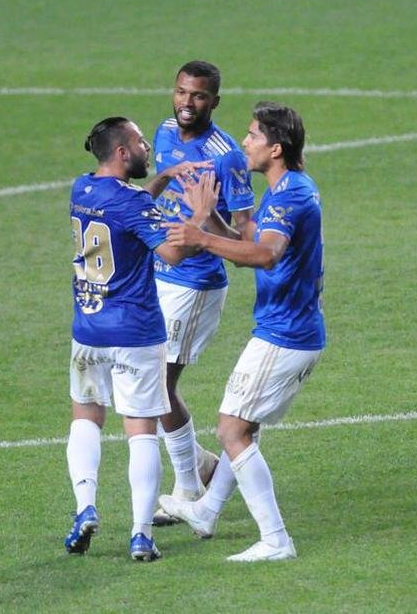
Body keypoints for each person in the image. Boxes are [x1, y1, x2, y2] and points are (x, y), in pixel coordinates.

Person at [158, 101, 325, 562]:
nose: (245, 142)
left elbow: (266, 254)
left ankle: (275, 540)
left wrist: (202, 239)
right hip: (286, 328)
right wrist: (209, 216)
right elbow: (251, 243)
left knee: (232, 429)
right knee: (241, 423)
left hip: (285, 334)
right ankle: (207, 511)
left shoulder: (290, 195)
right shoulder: (286, 187)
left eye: (253, 136)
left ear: (275, 148)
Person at [63, 116, 207, 562]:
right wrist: (199, 216)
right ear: (123, 152)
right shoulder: (131, 205)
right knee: (141, 431)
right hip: (135, 333)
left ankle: (85, 508)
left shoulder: (82, 189)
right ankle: (141, 534)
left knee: (85, 418)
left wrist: (161, 179)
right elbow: (171, 251)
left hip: (87, 328)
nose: (148, 148)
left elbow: (126, 209)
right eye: (141, 143)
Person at [146, 60, 255, 526]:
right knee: (144, 384)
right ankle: (202, 469)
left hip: (195, 284)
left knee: (158, 386)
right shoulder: (165, 131)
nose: (187, 103)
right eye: (181, 92)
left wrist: (207, 217)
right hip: (155, 273)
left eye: (198, 96)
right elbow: (162, 194)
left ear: (214, 100)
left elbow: (246, 238)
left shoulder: (227, 155)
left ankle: (189, 486)